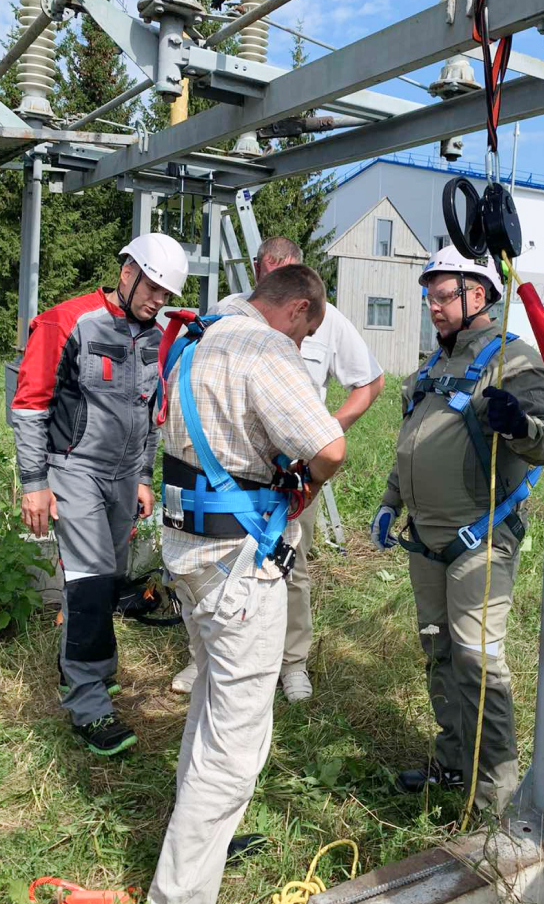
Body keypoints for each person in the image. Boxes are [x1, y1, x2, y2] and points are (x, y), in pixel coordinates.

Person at [147, 263, 345, 904]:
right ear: (295, 310)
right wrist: (305, 482)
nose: (300, 345)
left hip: (187, 553)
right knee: (234, 744)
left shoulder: (199, 334)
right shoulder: (264, 346)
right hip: (238, 568)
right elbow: (330, 446)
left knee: (208, 701)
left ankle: (193, 839)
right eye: (305, 333)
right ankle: (179, 893)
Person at [370, 245, 544, 813]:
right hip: (426, 538)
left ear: (480, 295)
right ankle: (454, 763)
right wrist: (388, 501)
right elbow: (411, 445)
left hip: (480, 538)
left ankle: (499, 795)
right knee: (439, 651)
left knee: (477, 660)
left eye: (444, 294)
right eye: (429, 295)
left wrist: (519, 424)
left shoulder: (512, 359)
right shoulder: (430, 367)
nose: (434, 306)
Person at [170, 235, 383, 703]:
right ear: (260, 271)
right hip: (222, 469)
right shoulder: (226, 313)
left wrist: (327, 429)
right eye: (267, 270)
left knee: (288, 566)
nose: (298, 339)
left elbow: (370, 381)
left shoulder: (329, 321)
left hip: (292, 475)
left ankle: (292, 663)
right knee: (212, 568)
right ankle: (203, 657)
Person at [10, 233, 189, 756]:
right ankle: (87, 702)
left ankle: (92, 667)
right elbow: (28, 404)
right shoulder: (67, 320)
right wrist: (34, 484)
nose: (158, 301)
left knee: (107, 577)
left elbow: (149, 413)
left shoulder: (156, 337)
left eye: (166, 294)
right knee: (88, 583)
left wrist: (143, 477)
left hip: (122, 476)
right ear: (127, 271)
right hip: (73, 469)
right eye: (153, 287)